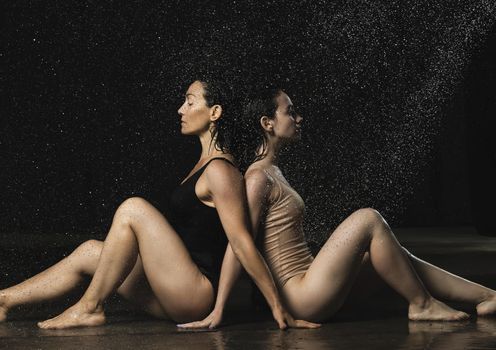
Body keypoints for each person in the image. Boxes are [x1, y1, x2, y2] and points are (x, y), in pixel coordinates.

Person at [0, 79, 319, 330]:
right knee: (89, 252)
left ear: (215, 112)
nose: (181, 109)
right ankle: (4, 299)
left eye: (190, 101)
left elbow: (241, 243)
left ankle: (90, 307)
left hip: (196, 292)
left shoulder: (221, 171)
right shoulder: (203, 164)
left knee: (132, 209)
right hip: (175, 283)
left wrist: (278, 307)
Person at [181, 87, 496, 328]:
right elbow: (240, 245)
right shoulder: (256, 178)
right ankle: (422, 304)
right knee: (368, 219)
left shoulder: (272, 171)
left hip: (310, 280)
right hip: (302, 296)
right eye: (290, 112)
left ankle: (486, 296)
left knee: (390, 254)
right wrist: (219, 309)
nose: (298, 118)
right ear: (268, 123)